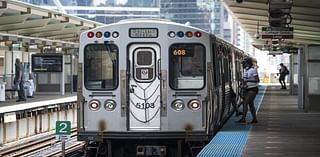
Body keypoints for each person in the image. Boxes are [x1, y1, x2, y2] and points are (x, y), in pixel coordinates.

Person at [238, 57, 259, 124]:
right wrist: (242, 83)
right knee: (251, 104)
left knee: (245, 103)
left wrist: (247, 80)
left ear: (248, 63)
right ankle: (255, 119)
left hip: (253, 89)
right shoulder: (245, 70)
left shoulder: (253, 70)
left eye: (244, 63)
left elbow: (257, 80)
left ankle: (243, 119)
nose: (243, 65)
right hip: (247, 89)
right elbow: (245, 80)